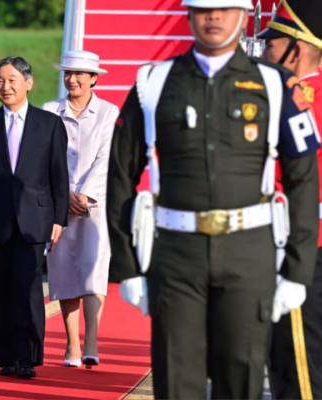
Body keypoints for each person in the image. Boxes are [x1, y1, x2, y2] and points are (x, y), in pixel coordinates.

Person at [106, 0, 320, 398]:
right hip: (176, 256)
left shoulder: (276, 85)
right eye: (204, 8)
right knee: (176, 380)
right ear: (189, 14)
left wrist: (297, 270)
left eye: (225, 8)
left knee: (241, 380)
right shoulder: (152, 83)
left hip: (248, 255)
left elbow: (303, 180)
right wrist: (128, 266)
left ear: (242, 15)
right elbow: (120, 175)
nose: (214, 16)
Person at [0, 57, 69, 378]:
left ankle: (27, 356)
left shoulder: (49, 124)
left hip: (34, 221)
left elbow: (59, 176)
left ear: (28, 83)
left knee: (29, 290)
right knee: (1, 291)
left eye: (12, 80)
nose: (5, 87)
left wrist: (59, 219)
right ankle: (5, 356)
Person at [258, 2, 322, 398]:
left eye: (271, 44)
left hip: (300, 248)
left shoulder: (296, 100)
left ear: (295, 50)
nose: (264, 53)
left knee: (297, 370)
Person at [42, 50, 117, 368]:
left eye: (80, 74)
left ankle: (91, 339)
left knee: (94, 271)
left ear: (93, 78)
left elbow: (107, 157)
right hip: (59, 208)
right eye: (68, 73)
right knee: (64, 273)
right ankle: (72, 342)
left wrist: (84, 195)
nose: (72, 79)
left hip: (95, 207)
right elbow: (43, 157)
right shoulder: (49, 110)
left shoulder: (108, 111)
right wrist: (65, 194)